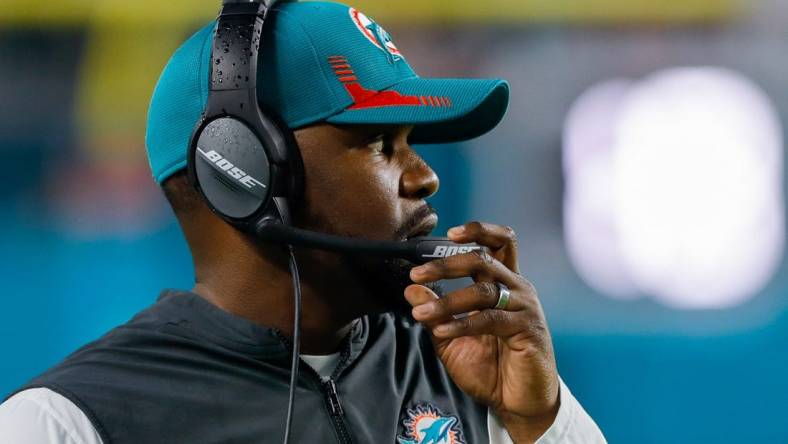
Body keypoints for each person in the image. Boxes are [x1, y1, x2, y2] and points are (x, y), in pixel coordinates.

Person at [0, 2, 606, 443]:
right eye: (379, 144)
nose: (425, 176)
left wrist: (539, 423)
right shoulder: (70, 422)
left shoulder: (471, 376)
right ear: (245, 171)